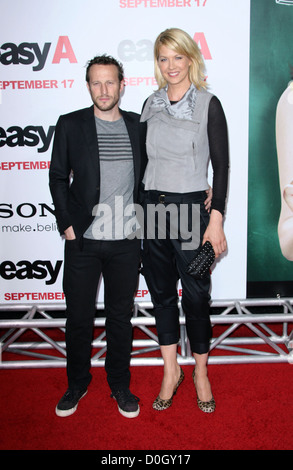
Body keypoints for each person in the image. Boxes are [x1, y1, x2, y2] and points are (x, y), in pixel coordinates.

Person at [49, 55, 147, 418]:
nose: (104, 90)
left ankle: (119, 384)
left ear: (122, 85)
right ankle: (77, 383)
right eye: (96, 83)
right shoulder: (71, 124)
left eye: (110, 82)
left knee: (120, 317)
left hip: (126, 241)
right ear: (88, 85)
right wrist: (68, 226)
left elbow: (157, 173)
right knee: (78, 317)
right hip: (84, 240)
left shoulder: (140, 125)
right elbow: (58, 177)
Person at [140, 28, 229, 413]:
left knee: (196, 296)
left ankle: (202, 372)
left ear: (191, 58)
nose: (171, 66)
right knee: (160, 294)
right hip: (153, 212)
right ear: (157, 64)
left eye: (177, 57)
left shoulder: (210, 103)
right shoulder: (150, 103)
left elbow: (222, 166)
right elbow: (141, 164)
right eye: (163, 58)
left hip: (194, 214)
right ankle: (171, 370)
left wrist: (217, 219)